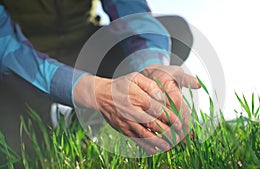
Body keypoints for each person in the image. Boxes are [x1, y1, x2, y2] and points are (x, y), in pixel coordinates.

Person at [0, 0, 200, 154]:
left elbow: (131, 12)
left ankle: (88, 116)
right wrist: (95, 93)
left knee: (176, 30)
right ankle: (63, 115)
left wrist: (150, 68)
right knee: (16, 154)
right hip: (21, 62)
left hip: (84, 47)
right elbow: (7, 49)